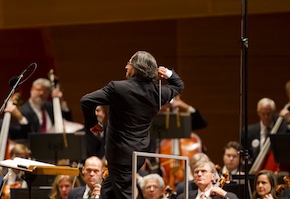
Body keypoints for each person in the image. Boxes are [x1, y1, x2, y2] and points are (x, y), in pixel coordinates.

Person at [80, 50, 184, 198]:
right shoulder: (158, 92)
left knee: (124, 195)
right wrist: (168, 73)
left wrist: (92, 123)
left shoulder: (118, 88)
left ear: (137, 67)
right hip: (138, 154)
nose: (126, 66)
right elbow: (178, 86)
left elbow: (86, 100)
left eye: (129, 63)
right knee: (107, 191)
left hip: (119, 154)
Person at [4, 78, 74, 140]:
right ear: (31, 90)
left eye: (45, 91)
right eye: (39, 89)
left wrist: (61, 102)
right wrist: (21, 118)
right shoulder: (22, 111)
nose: (41, 93)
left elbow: (68, 122)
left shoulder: (50, 106)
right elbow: (25, 136)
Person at [241, 98, 289, 165]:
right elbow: (244, 155)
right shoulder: (248, 131)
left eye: (268, 113)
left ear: (273, 112)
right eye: (263, 113)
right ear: (258, 112)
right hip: (255, 170)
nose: (266, 117)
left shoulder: (282, 129)